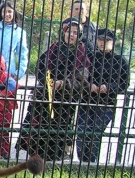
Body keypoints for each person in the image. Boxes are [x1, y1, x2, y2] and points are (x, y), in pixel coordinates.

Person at [16, 18, 93, 161]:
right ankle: (36, 159)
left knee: (57, 133)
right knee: (37, 129)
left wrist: (63, 83)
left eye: (75, 33)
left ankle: (53, 160)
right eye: (69, 31)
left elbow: (81, 78)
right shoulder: (54, 48)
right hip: (45, 96)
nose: (71, 35)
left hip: (64, 101)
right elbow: (41, 66)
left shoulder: (82, 53)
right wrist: (47, 81)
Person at [75, 29, 130, 163]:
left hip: (107, 103)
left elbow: (125, 83)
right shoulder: (90, 57)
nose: (102, 43)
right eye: (100, 40)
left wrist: (109, 87)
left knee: (95, 134)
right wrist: (89, 85)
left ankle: (91, 163)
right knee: (81, 132)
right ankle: (83, 162)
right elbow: (80, 74)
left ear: (113, 42)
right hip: (87, 100)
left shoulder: (120, 61)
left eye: (106, 40)